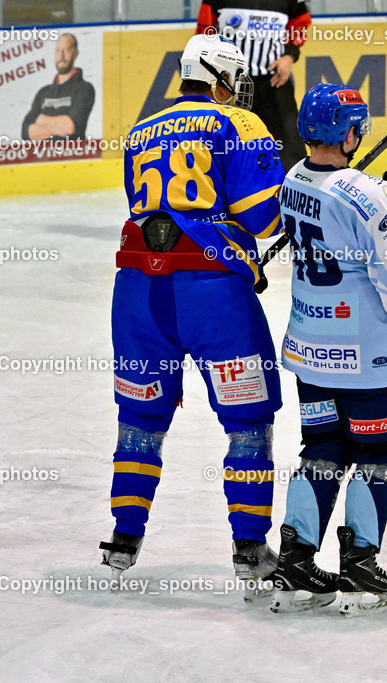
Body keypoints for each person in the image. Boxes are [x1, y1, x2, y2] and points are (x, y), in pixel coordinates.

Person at [100, 33, 285, 600]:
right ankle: (250, 547)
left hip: (138, 294)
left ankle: (123, 539)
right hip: (212, 297)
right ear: (222, 80)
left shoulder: (139, 131)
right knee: (248, 423)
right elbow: (264, 217)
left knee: (140, 421)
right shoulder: (240, 125)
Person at [268, 83, 387, 616]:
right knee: (378, 453)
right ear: (348, 132)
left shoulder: (293, 181)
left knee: (323, 451)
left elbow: (353, 224)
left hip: (311, 351)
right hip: (368, 358)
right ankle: (359, 564)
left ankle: (296, 564)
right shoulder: (367, 195)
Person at [196, 0, 311, 170]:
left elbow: (300, 26)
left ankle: (293, 192)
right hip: (229, 84)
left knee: (290, 147)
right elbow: (204, 33)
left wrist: (289, 56)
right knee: (225, 144)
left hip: (273, 82)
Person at [21, 33, 95, 141]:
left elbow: (69, 128)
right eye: (58, 51)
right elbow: (26, 132)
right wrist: (58, 127)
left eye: (66, 50)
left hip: (74, 156)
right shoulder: (43, 92)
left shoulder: (84, 89)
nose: (61, 56)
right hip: (44, 156)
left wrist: (42, 120)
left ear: (75, 53)